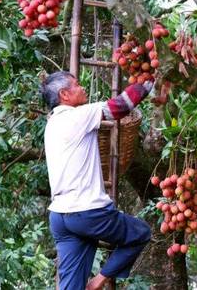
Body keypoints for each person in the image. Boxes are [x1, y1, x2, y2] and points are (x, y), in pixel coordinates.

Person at [40, 71, 154, 290]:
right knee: (140, 233)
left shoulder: (52, 124)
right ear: (64, 94)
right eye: (77, 85)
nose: (83, 88)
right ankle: (98, 282)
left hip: (60, 217)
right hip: (87, 213)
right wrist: (148, 79)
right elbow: (119, 107)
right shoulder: (76, 116)